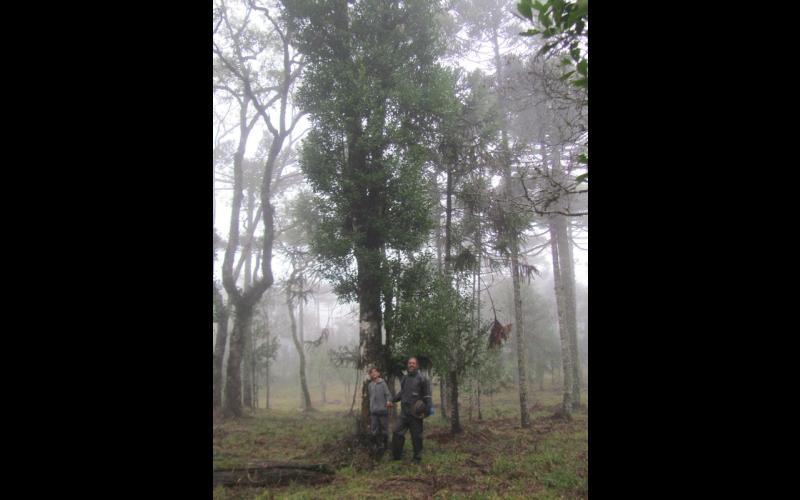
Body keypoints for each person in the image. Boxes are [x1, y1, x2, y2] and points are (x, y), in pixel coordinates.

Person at [389, 357, 432, 464]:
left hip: (416, 415)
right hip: (404, 413)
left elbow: (428, 398)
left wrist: (426, 413)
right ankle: (396, 457)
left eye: (413, 363)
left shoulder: (423, 379)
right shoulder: (404, 378)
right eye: (409, 363)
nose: (411, 365)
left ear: (417, 366)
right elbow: (401, 393)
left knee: (416, 437)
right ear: (407, 365)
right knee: (397, 432)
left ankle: (417, 459)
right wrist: (392, 400)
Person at [367, 367, 392, 457]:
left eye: (375, 372)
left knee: (384, 429)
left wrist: (388, 401)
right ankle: (376, 446)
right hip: (374, 412)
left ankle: (386, 446)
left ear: (378, 373)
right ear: (370, 375)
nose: (373, 374)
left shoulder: (382, 383)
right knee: (374, 430)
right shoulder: (370, 385)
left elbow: (388, 394)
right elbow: (371, 397)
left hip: (383, 410)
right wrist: (371, 407)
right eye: (371, 372)